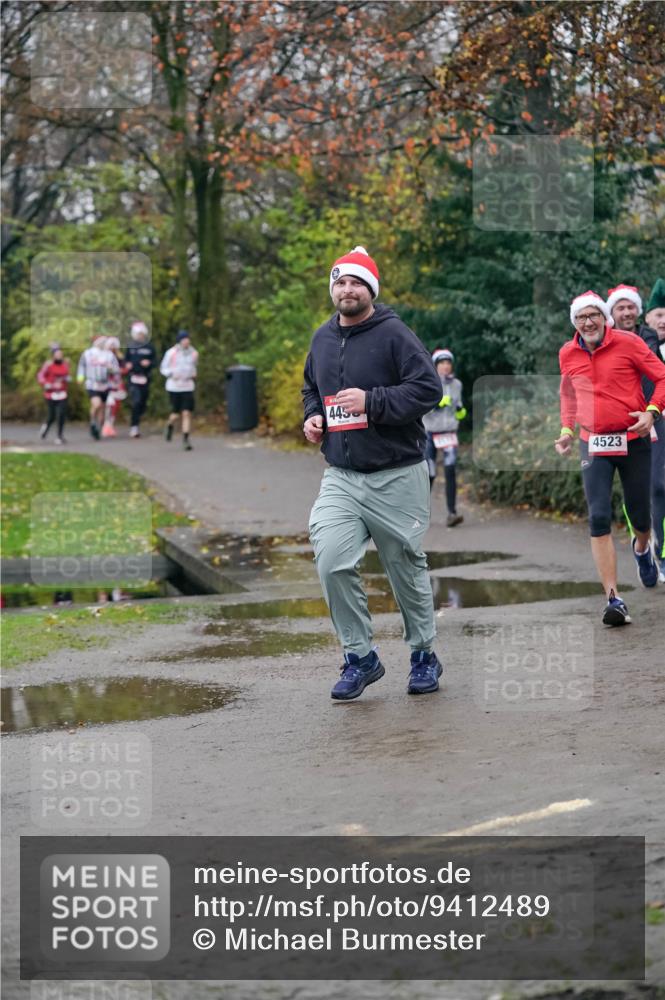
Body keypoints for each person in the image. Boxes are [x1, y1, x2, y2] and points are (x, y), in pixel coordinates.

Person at [302, 246, 444, 700]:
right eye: (340, 282)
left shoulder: (394, 334)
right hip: (341, 476)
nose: (347, 289)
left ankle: (423, 654)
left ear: (370, 291)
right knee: (330, 559)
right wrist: (313, 418)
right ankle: (359, 657)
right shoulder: (322, 339)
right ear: (332, 289)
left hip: (396, 473)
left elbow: (428, 389)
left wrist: (374, 401)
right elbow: (312, 387)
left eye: (356, 283)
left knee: (404, 567)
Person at [555, 291, 665, 626]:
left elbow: (662, 376)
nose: (587, 322)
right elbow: (568, 393)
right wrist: (567, 430)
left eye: (593, 316)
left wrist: (652, 412)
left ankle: (642, 549)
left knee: (640, 516)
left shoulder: (629, 343)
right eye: (581, 317)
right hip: (594, 443)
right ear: (575, 322)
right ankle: (614, 599)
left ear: (605, 318)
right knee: (599, 516)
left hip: (633, 439)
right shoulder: (567, 352)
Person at [607, 282, 665, 585]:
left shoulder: (649, 338)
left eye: (631, 307)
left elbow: (658, 373)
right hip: (613, 425)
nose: (627, 312)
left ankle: (660, 552)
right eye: (621, 307)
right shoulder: (599, 341)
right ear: (611, 312)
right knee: (631, 491)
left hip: (651, 420)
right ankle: (641, 544)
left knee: (657, 486)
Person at [423, 348, 467, 527]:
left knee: (450, 469)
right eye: (441, 363)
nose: (445, 366)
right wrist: (437, 404)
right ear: (435, 366)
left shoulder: (457, 384)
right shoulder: (428, 383)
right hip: (430, 432)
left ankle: (452, 513)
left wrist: (460, 412)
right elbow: (421, 407)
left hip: (449, 432)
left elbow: (460, 409)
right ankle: (419, 514)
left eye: (448, 363)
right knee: (430, 473)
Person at [644, 278, 665, 582]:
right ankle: (658, 552)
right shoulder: (638, 347)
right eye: (659, 313)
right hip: (654, 427)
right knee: (659, 487)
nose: (664, 319)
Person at [160, 329, 198, 451]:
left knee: (186, 413)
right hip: (174, 386)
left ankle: (186, 439)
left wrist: (193, 374)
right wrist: (171, 374)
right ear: (180, 341)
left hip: (188, 386)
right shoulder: (171, 353)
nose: (187, 341)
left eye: (188, 338)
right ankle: (170, 425)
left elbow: (193, 367)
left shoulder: (193, 353)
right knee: (175, 413)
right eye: (184, 339)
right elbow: (163, 368)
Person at [76, 335, 120, 440]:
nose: (102, 343)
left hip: (105, 385)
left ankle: (97, 429)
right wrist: (80, 378)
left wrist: (112, 370)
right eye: (100, 342)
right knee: (97, 404)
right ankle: (92, 422)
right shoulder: (88, 353)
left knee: (102, 409)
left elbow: (116, 369)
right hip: (92, 383)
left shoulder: (109, 355)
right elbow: (82, 366)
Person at [125, 320, 157, 438]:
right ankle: (134, 427)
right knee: (136, 401)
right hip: (133, 378)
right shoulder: (130, 346)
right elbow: (125, 360)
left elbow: (155, 362)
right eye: (138, 334)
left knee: (142, 403)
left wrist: (149, 363)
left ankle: (137, 417)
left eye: (142, 334)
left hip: (145, 378)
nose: (140, 336)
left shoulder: (150, 347)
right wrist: (127, 365)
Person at [37, 344, 70, 444]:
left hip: (62, 394)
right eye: (58, 354)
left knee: (61, 414)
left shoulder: (65, 365)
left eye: (61, 354)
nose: (60, 356)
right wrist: (47, 384)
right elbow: (40, 376)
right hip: (50, 394)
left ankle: (59, 436)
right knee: (51, 416)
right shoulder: (48, 365)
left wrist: (67, 379)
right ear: (53, 355)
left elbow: (66, 376)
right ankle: (45, 429)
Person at [101, 336, 129, 438]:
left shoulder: (120, 358)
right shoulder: (103, 357)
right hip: (104, 385)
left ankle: (110, 425)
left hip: (117, 385)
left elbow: (125, 369)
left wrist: (118, 370)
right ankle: (104, 426)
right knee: (107, 405)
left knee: (114, 406)